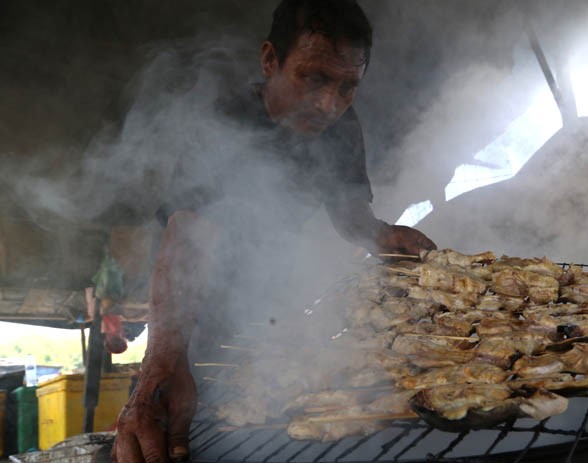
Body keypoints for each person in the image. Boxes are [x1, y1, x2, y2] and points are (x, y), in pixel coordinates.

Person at [111, 1, 436, 461]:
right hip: (193, 318)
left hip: (270, 311)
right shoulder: (228, 119)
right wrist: (162, 361)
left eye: (347, 87)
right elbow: (187, 242)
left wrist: (380, 234)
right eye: (314, 78)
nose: (329, 104)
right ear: (270, 60)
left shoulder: (341, 127)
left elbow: (348, 211)